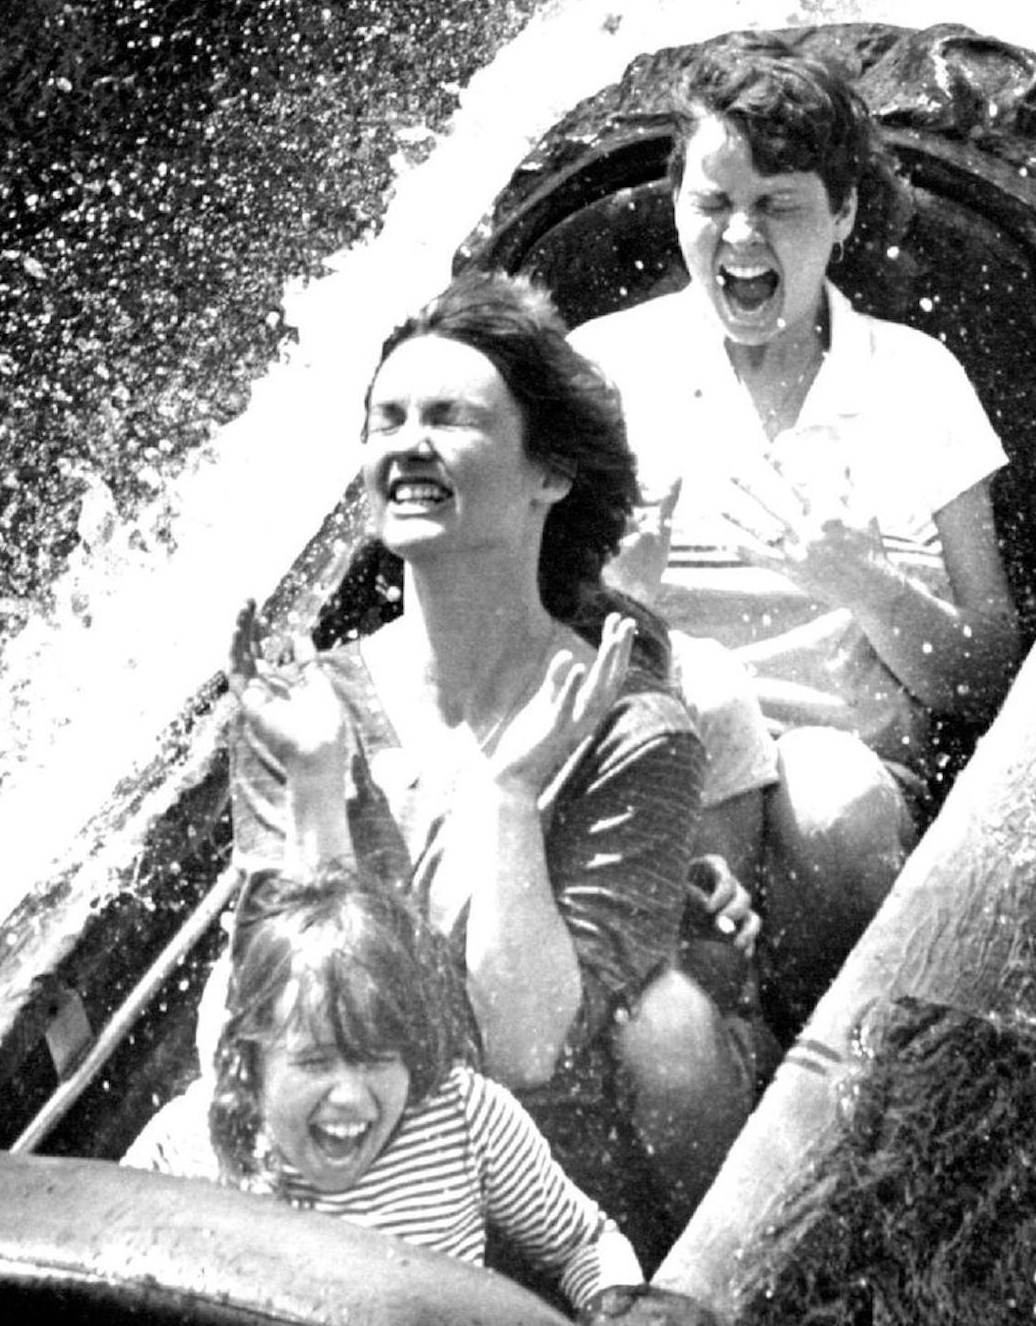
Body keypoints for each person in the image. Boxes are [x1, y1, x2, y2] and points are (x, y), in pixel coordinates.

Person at [225, 267, 751, 1250]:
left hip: (537, 1212)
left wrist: (509, 798)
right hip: (330, 1183)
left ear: (548, 471)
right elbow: (296, 1013)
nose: (408, 444)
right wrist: (312, 788)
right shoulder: (301, 710)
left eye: (448, 417)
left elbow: (522, 1049)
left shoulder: (632, 729)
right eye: (386, 420)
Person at [572, 31, 1025, 1027]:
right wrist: (622, 601)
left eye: (778, 206)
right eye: (713, 203)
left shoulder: (917, 379)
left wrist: (868, 582)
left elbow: (989, 671)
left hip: (847, 759)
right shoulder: (599, 375)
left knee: (833, 805)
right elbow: (513, 649)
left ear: (844, 214)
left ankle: (802, 1051)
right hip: (657, 750)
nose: (741, 239)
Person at [128, 865, 640, 1314]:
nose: (350, 1097)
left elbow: (584, 1244)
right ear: (251, 1061)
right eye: (314, 1061)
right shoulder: (188, 1142)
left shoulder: (464, 1116)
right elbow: (98, 1266)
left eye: (376, 1060)